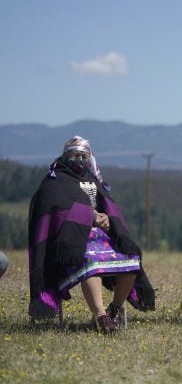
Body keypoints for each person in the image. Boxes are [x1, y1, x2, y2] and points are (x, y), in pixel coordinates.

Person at [28, 136, 155, 333]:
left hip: (102, 236)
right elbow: (56, 211)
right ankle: (100, 316)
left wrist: (108, 219)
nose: (78, 159)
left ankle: (116, 309)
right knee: (92, 262)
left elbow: (107, 205)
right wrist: (90, 215)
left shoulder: (91, 178)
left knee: (132, 257)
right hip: (70, 241)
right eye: (73, 155)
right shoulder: (55, 181)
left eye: (82, 156)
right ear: (64, 156)